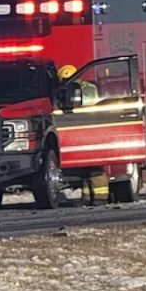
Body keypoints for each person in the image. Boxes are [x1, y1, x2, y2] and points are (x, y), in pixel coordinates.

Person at [58, 64, 108, 204]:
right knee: (87, 169)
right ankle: (88, 197)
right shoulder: (86, 87)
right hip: (83, 130)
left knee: (95, 167)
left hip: (90, 129)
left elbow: (81, 107)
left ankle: (100, 197)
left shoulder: (87, 89)